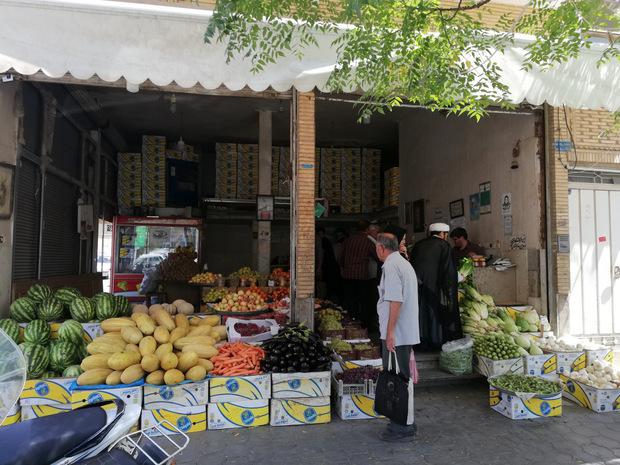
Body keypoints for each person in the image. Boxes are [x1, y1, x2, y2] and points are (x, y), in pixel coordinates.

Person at [375, 232, 419, 442]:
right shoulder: (401, 263)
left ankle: (401, 426)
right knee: (402, 377)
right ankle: (405, 420)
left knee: (397, 379)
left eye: (376, 247)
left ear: (381, 248)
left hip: (397, 333)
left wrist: (390, 333)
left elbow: (395, 301)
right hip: (402, 331)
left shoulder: (392, 266)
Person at [410, 222, 462, 350]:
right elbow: (448, 270)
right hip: (435, 287)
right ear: (442, 234)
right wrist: (459, 279)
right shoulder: (444, 246)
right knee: (434, 314)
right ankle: (434, 342)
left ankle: (419, 342)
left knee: (420, 313)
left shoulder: (419, 244)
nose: (446, 237)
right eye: (445, 234)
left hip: (417, 285)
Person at [337, 220, 379, 330]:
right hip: (362, 277)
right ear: (367, 230)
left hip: (348, 276)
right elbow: (377, 257)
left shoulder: (347, 241)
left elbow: (340, 258)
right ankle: (363, 325)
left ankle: (353, 322)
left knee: (351, 301)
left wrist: (344, 267)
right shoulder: (368, 242)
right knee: (364, 301)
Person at [315, 226, 341, 302]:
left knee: (328, 285)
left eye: (321, 233)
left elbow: (322, 256)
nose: (320, 235)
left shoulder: (325, 242)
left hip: (328, 267)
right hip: (325, 267)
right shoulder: (321, 241)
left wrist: (319, 268)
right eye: (319, 234)